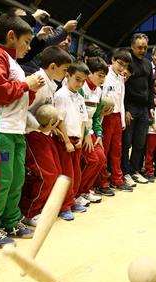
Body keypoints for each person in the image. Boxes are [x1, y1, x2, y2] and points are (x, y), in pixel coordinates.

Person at [0, 14, 45, 247]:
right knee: (1, 179)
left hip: (14, 128)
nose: (29, 47)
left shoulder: (15, 63)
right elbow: (0, 91)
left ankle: (11, 220)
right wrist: (27, 85)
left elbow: (21, 97)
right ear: (11, 36)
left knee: (16, 178)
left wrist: (31, 88)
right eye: (27, 41)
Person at [19, 46, 72, 227]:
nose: (66, 74)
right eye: (65, 70)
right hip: (32, 135)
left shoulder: (50, 84)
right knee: (45, 175)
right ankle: (29, 211)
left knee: (55, 173)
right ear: (52, 66)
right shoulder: (39, 82)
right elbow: (23, 110)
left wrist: (51, 127)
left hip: (44, 135)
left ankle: (39, 208)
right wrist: (39, 127)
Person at [53, 62, 90, 221]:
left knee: (76, 172)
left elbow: (83, 119)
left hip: (77, 139)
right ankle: (64, 206)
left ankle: (72, 199)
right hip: (64, 140)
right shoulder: (61, 95)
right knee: (66, 174)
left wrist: (81, 137)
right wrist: (67, 141)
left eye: (83, 81)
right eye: (77, 79)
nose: (80, 84)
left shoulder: (80, 97)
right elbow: (60, 120)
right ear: (67, 76)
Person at [98, 48, 133, 195]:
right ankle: (101, 182)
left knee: (117, 150)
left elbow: (121, 99)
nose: (122, 68)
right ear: (112, 59)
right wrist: (99, 120)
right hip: (105, 116)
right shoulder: (104, 74)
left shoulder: (120, 77)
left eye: (125, 66)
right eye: (120, 63)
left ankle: (117, 179)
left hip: (117, 116)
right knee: (103, 150)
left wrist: (122, 120)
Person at [75, 56, 109, 203]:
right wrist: (85, 134)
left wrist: (99, 134)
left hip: (91, 132)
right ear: (90, 73)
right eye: (100, 75)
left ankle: (86, 190)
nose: (102, 79)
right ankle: (77, 194)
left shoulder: (99, 91)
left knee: (101, 159)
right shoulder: (81, 88)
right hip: (79, 131)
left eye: (104, 76)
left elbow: (96, 117)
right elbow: (78, 114)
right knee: (93, 160)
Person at [122, 33, 153, 185]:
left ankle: (135, 171)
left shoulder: (148, 64)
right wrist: (126, 109)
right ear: (132, 47)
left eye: (145, 48)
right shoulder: (127, 63)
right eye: (139, 47)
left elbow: (150, 87)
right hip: (130, 108)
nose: (142, 50)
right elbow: (123, 87)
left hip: (143, 109)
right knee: (126, 142)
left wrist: (151, 107)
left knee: (140, 143)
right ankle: (125, 172)